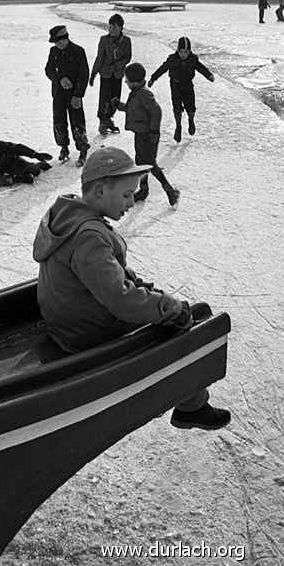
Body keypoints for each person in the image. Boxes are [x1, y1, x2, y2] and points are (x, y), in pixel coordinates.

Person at [32, 145, 230, 431]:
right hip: (87, 334)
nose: (131, 201)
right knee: (183, 325)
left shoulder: (70, 215)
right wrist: (167, 307)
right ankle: (191, 406)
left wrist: (149, 292)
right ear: (99, 191)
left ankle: (193, 402)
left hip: (70, 321)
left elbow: (108, 273)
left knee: (179, 310)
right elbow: (119, 298)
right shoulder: (88, 236)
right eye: (126, 195)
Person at [112, 62, 180, 206]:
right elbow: (133, 108)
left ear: (134, 81)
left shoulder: (144, 93)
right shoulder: (137, 91)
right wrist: (120, 106)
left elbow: (156, 111)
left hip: (148, 135)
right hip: (140, 133)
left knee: (150, 164)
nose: (125, 81)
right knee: (140, 162)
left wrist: (154, 131)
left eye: (127, 79)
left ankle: (170, 190)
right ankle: (144, 189)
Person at [147, 37, 214, 143]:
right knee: (177, 106)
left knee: (190, 105)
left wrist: (208, 75)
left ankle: (191, 119)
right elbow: (162, 69)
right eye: (181, 51)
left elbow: (201, 68)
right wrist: (153, 79)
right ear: (178, 50)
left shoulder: (193, 59)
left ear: (190, 51)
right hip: (175, 85)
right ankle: (178, 126)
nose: (184, 54)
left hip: (188, 85)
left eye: (186, 52)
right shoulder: (172, 59)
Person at [45, 25, 90, 167]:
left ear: (65, 39)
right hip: (58, 94)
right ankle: (63, 148)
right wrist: (59, 79)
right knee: (59, 121)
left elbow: (84, 75)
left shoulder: (78, 51)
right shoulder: (53, 52)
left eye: (58, 42)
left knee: (77, 122)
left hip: (74, 95)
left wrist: (78, 95)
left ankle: (83, 150)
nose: (56, 45)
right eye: (55, 43)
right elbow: (48, 70)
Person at [89, 13, 132, 136]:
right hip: (106, 74)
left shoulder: (126, 41)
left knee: (115, 99)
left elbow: (127, 57)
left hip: (117, 75)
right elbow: (100, 57)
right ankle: (103, 121)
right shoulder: (104, 40)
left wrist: (117, 66)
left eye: (114, 27)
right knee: (104, 98)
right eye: (110, 27)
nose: (112, 30)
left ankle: (109, 119)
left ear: (121, 28)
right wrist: (93, 73)